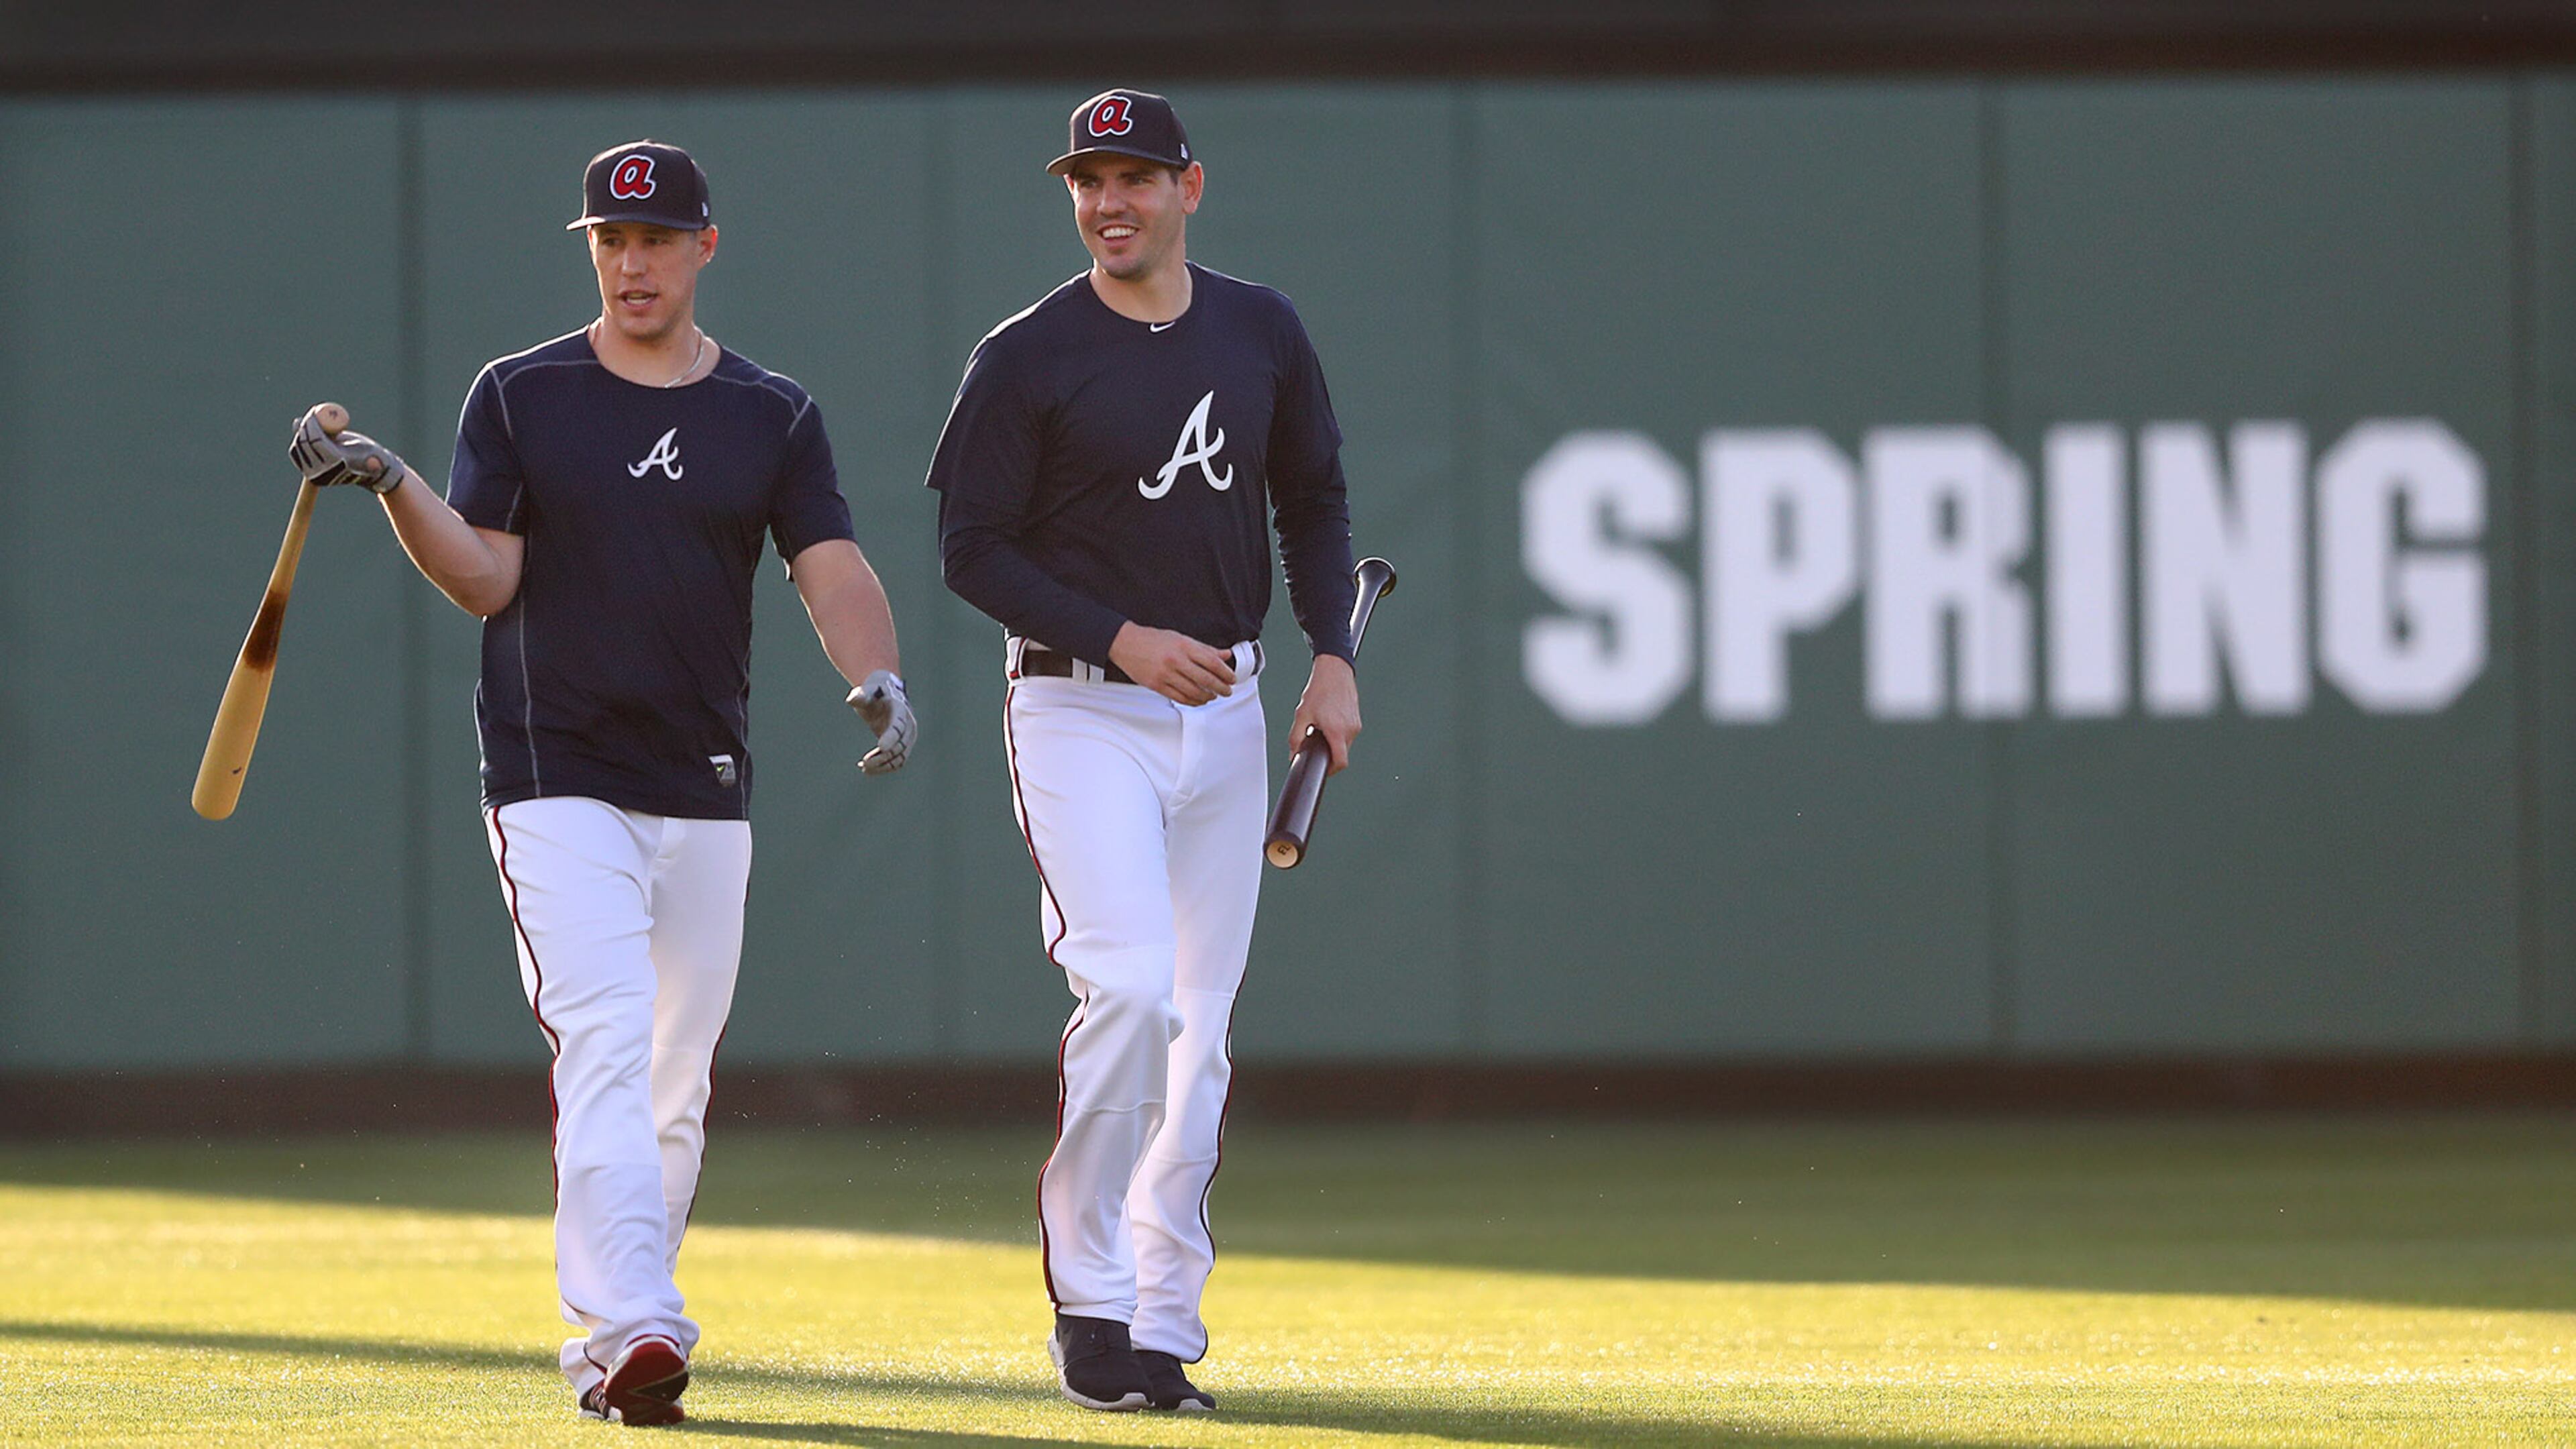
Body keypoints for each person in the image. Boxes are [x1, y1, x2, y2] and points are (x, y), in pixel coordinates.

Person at [286, 139, 914, 1427]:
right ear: (593, 251)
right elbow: (484, 579)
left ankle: (615, 1351)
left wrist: (881, 674)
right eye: (611, 243)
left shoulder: (772, 412)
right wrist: (394, 481)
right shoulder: (522, 395)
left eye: (658, 241)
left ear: (703, 249)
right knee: (609, 1041)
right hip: (553, 774)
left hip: (705, 782)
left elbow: (830, 564)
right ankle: (638, 1320)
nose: (633, 264)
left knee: (673, 1078)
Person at [925, 89, 1360, 1414]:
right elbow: (969, 551)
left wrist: (1331, 652)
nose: (1109, 200)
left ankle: (1164, 1317)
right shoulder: (1028, 353)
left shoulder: (1260, 327)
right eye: (1088, 178)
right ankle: (1092, 1297)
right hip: (1078, 707)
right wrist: (1119, 638)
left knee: (1203, 1028)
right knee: (1123, 988)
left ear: (1191, 187)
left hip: (1228, 709)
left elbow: (1316, 498)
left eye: (1135, 177)